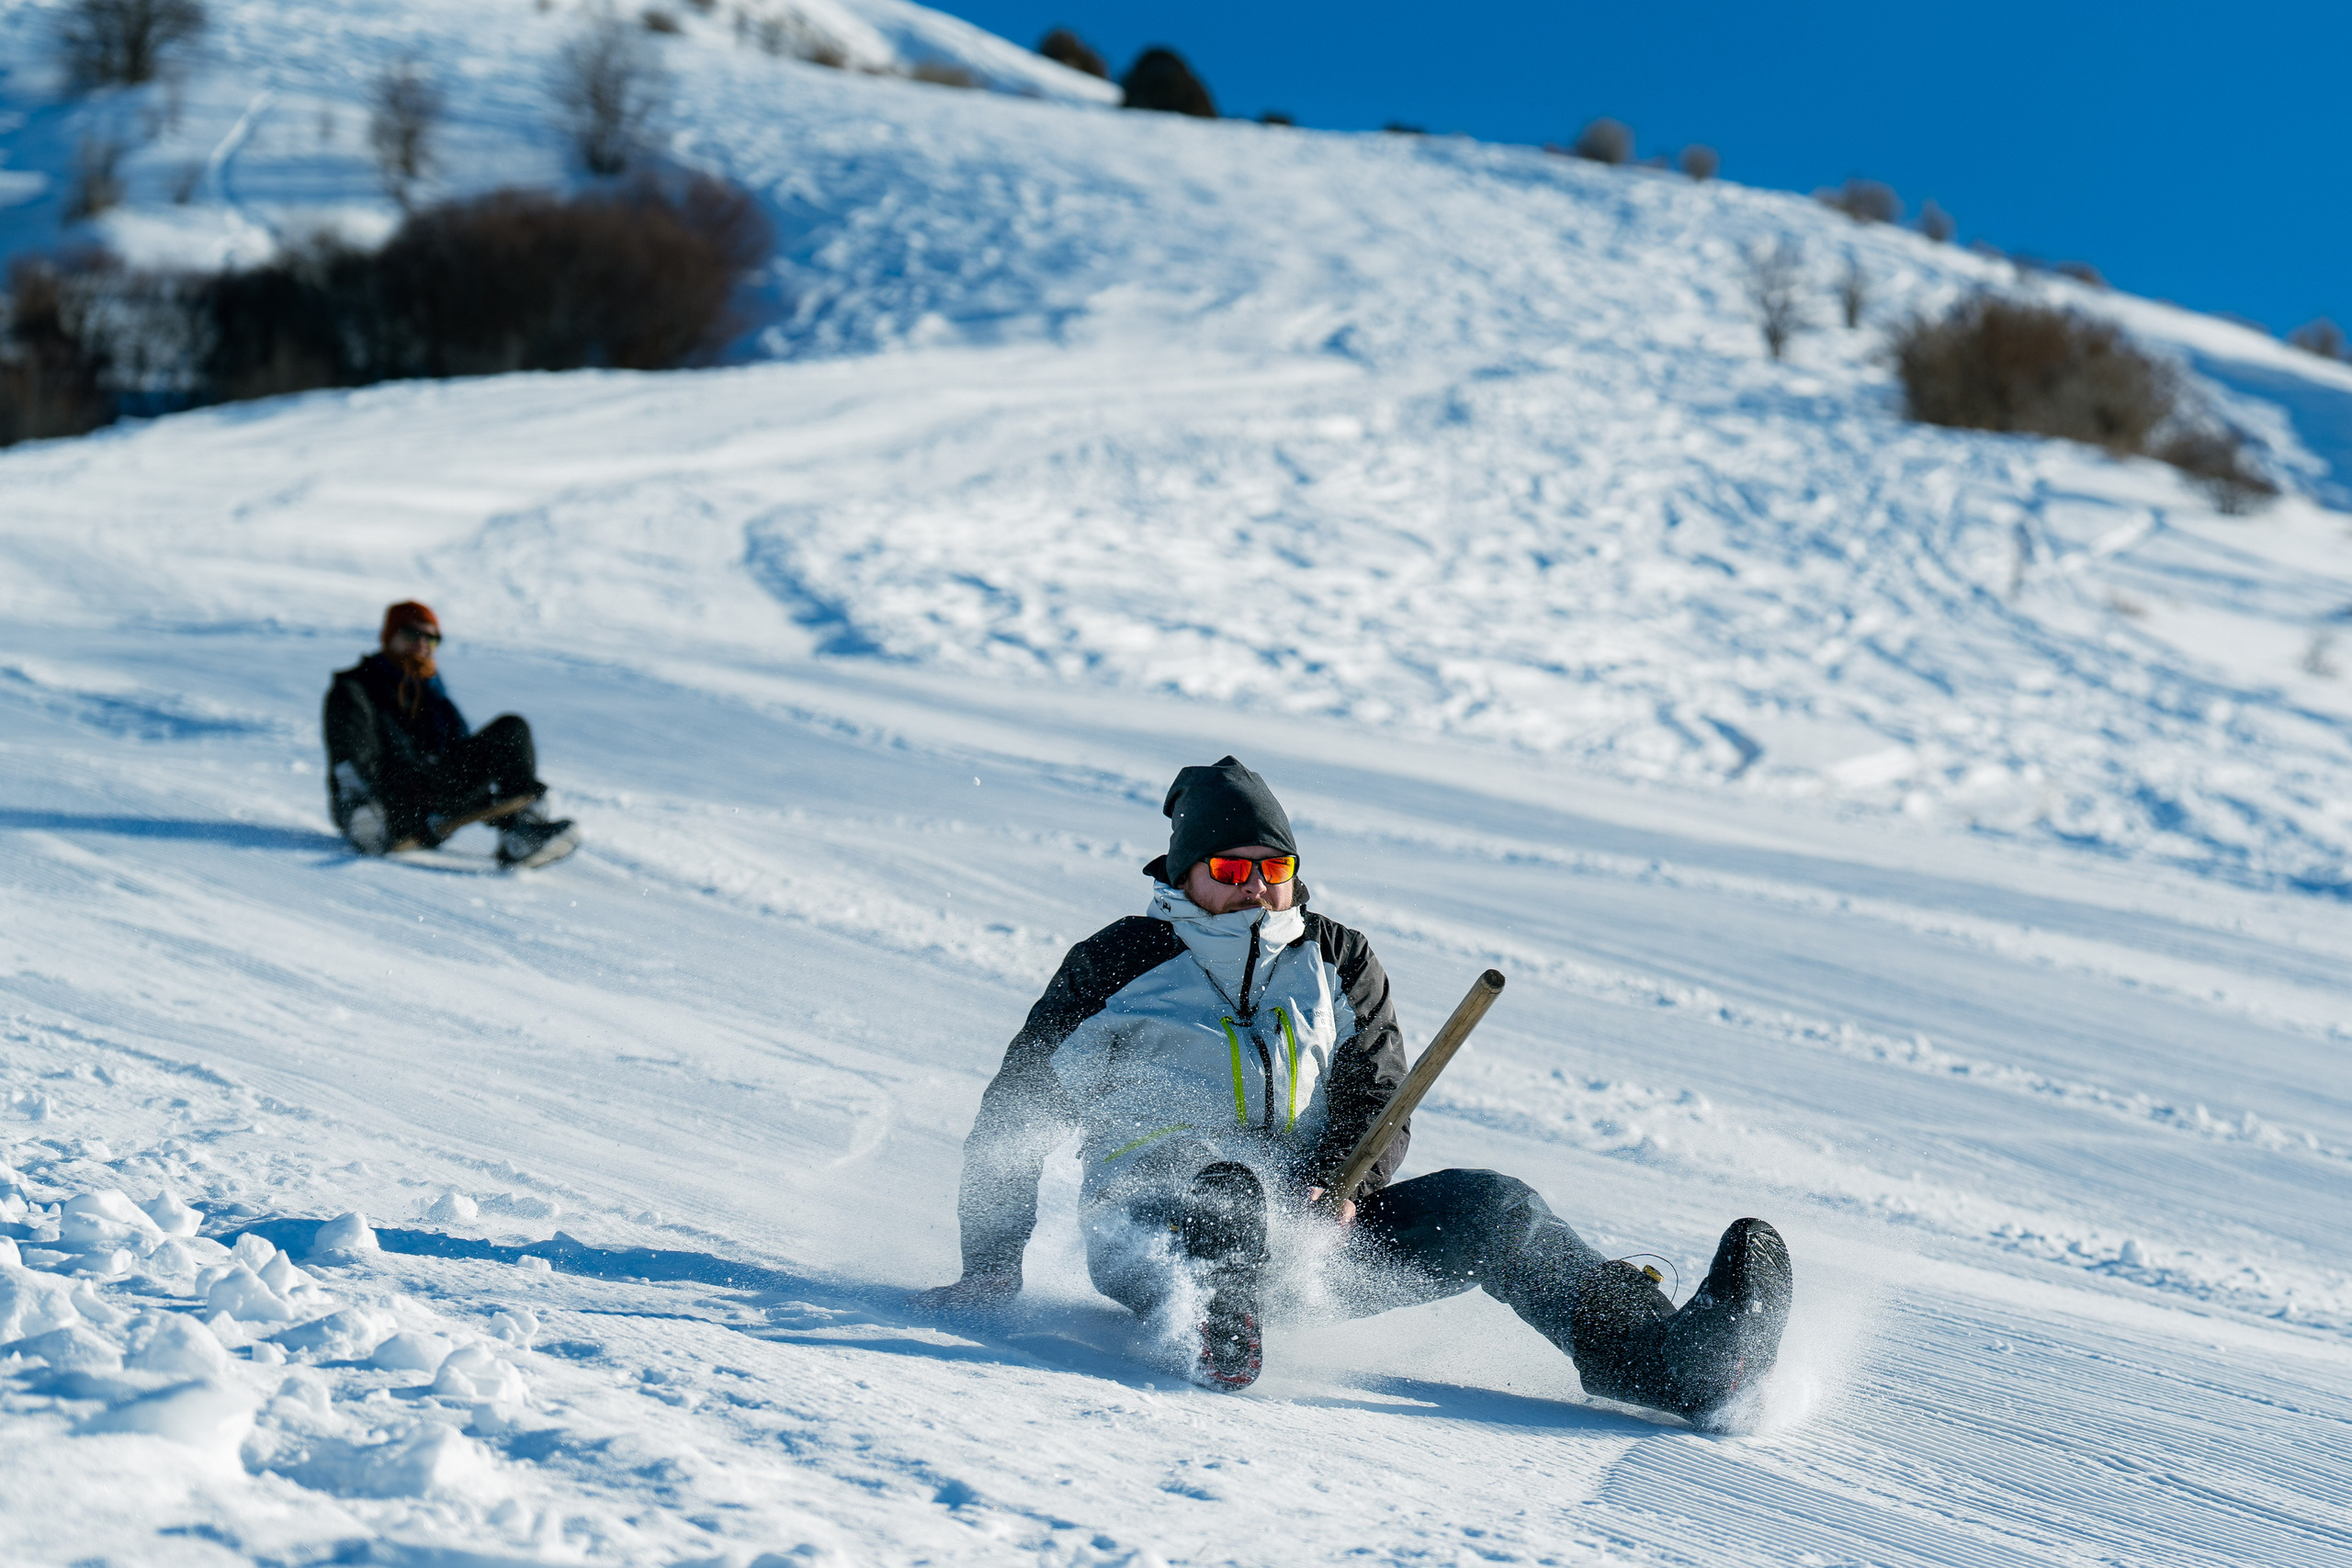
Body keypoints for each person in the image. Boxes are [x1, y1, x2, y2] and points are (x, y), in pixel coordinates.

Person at [919, 754, 1791, 1421]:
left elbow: (1377, 1091)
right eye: (1231, 871)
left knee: (1498, 1208)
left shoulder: (1335, 958)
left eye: (1274, 869)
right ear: (1182, 874)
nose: (1257, 890)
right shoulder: (1120, 962)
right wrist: (989, 1265)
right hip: (1152, 1224)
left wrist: (1349, 1181)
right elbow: (1015, 1115)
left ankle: (1672, 1363)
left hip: (1309, 1232)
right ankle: (1214, 1325)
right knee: (1224, 1194)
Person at [322, 601, 580, 868]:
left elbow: (459, 755)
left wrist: (491, 803)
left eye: (432, 638)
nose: (422, 643)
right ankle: (366, 821)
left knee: (512, 729)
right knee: (375, 790)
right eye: (411, 633)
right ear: (390, 635)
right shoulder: (356, 687)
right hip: (389, 802)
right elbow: (350, 754)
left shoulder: (434, 696)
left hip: (433, 793)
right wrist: (360, 807)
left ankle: (521, 832)